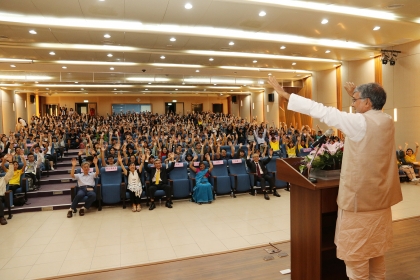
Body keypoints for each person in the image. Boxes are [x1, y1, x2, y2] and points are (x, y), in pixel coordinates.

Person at [268, 76, 403, 280]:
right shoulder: (386, 120)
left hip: (360, 205)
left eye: (355, 100)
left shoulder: (359, 123)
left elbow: (322, 111)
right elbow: (368, 116)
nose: (353, 104)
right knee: (376, 254)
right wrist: (356, 97)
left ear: (368, 102)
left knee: (356, 259)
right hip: (381, 202)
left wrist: (286, 95)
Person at [0, 154, 14, 225]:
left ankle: (1, 217)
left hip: (1, 196)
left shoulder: (3, 179)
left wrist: (10, 162)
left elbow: (10, 173)